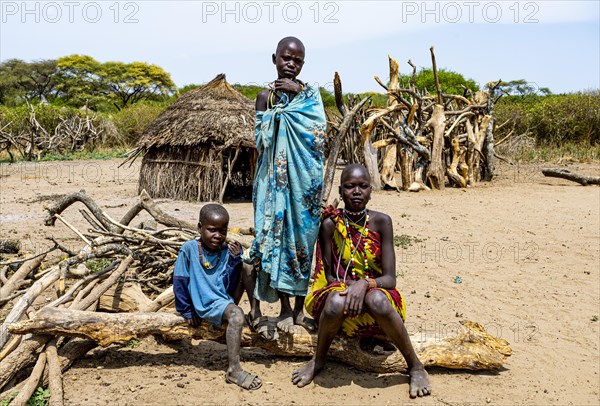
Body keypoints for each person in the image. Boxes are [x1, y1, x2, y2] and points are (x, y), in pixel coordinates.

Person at [292, 164, 432, 398]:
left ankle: (415, 366)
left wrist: (364, 284)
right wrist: (351, 288)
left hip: (378, 301)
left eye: (363, 186)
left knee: (376, 299)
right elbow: (330, 276)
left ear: (371, 190)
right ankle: (318, 360)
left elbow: (390, 279)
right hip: (340, 301)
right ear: (341, 190)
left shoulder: (382, 222)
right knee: (336, 301)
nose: (357, 191)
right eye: (350, 186)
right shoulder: (330, 224)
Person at [248, 36, 326, 334]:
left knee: (304, 244)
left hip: (305, 186)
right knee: (275, 242)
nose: (291, 64)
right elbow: (259, 142)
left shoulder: (311, 98)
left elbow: (319, 134)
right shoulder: (263, 97)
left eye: (297, 60)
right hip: (272, 182)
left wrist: (299, 94)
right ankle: (282, 309)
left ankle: (299, 310)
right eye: (286, 58)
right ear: (274, 58)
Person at [173, 203, 262, 391]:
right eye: (212, 230)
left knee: (247, 267)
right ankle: (234, 370)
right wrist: (187, 310)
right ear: (199, 228)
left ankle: (256, 312)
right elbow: (180, 281)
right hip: (205, 302)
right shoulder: (189, 249)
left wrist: (234, 260)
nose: (218, 236)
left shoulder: (225, 250)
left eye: (223, 231)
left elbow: (228, 285)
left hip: (223, 297)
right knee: (237, 315)